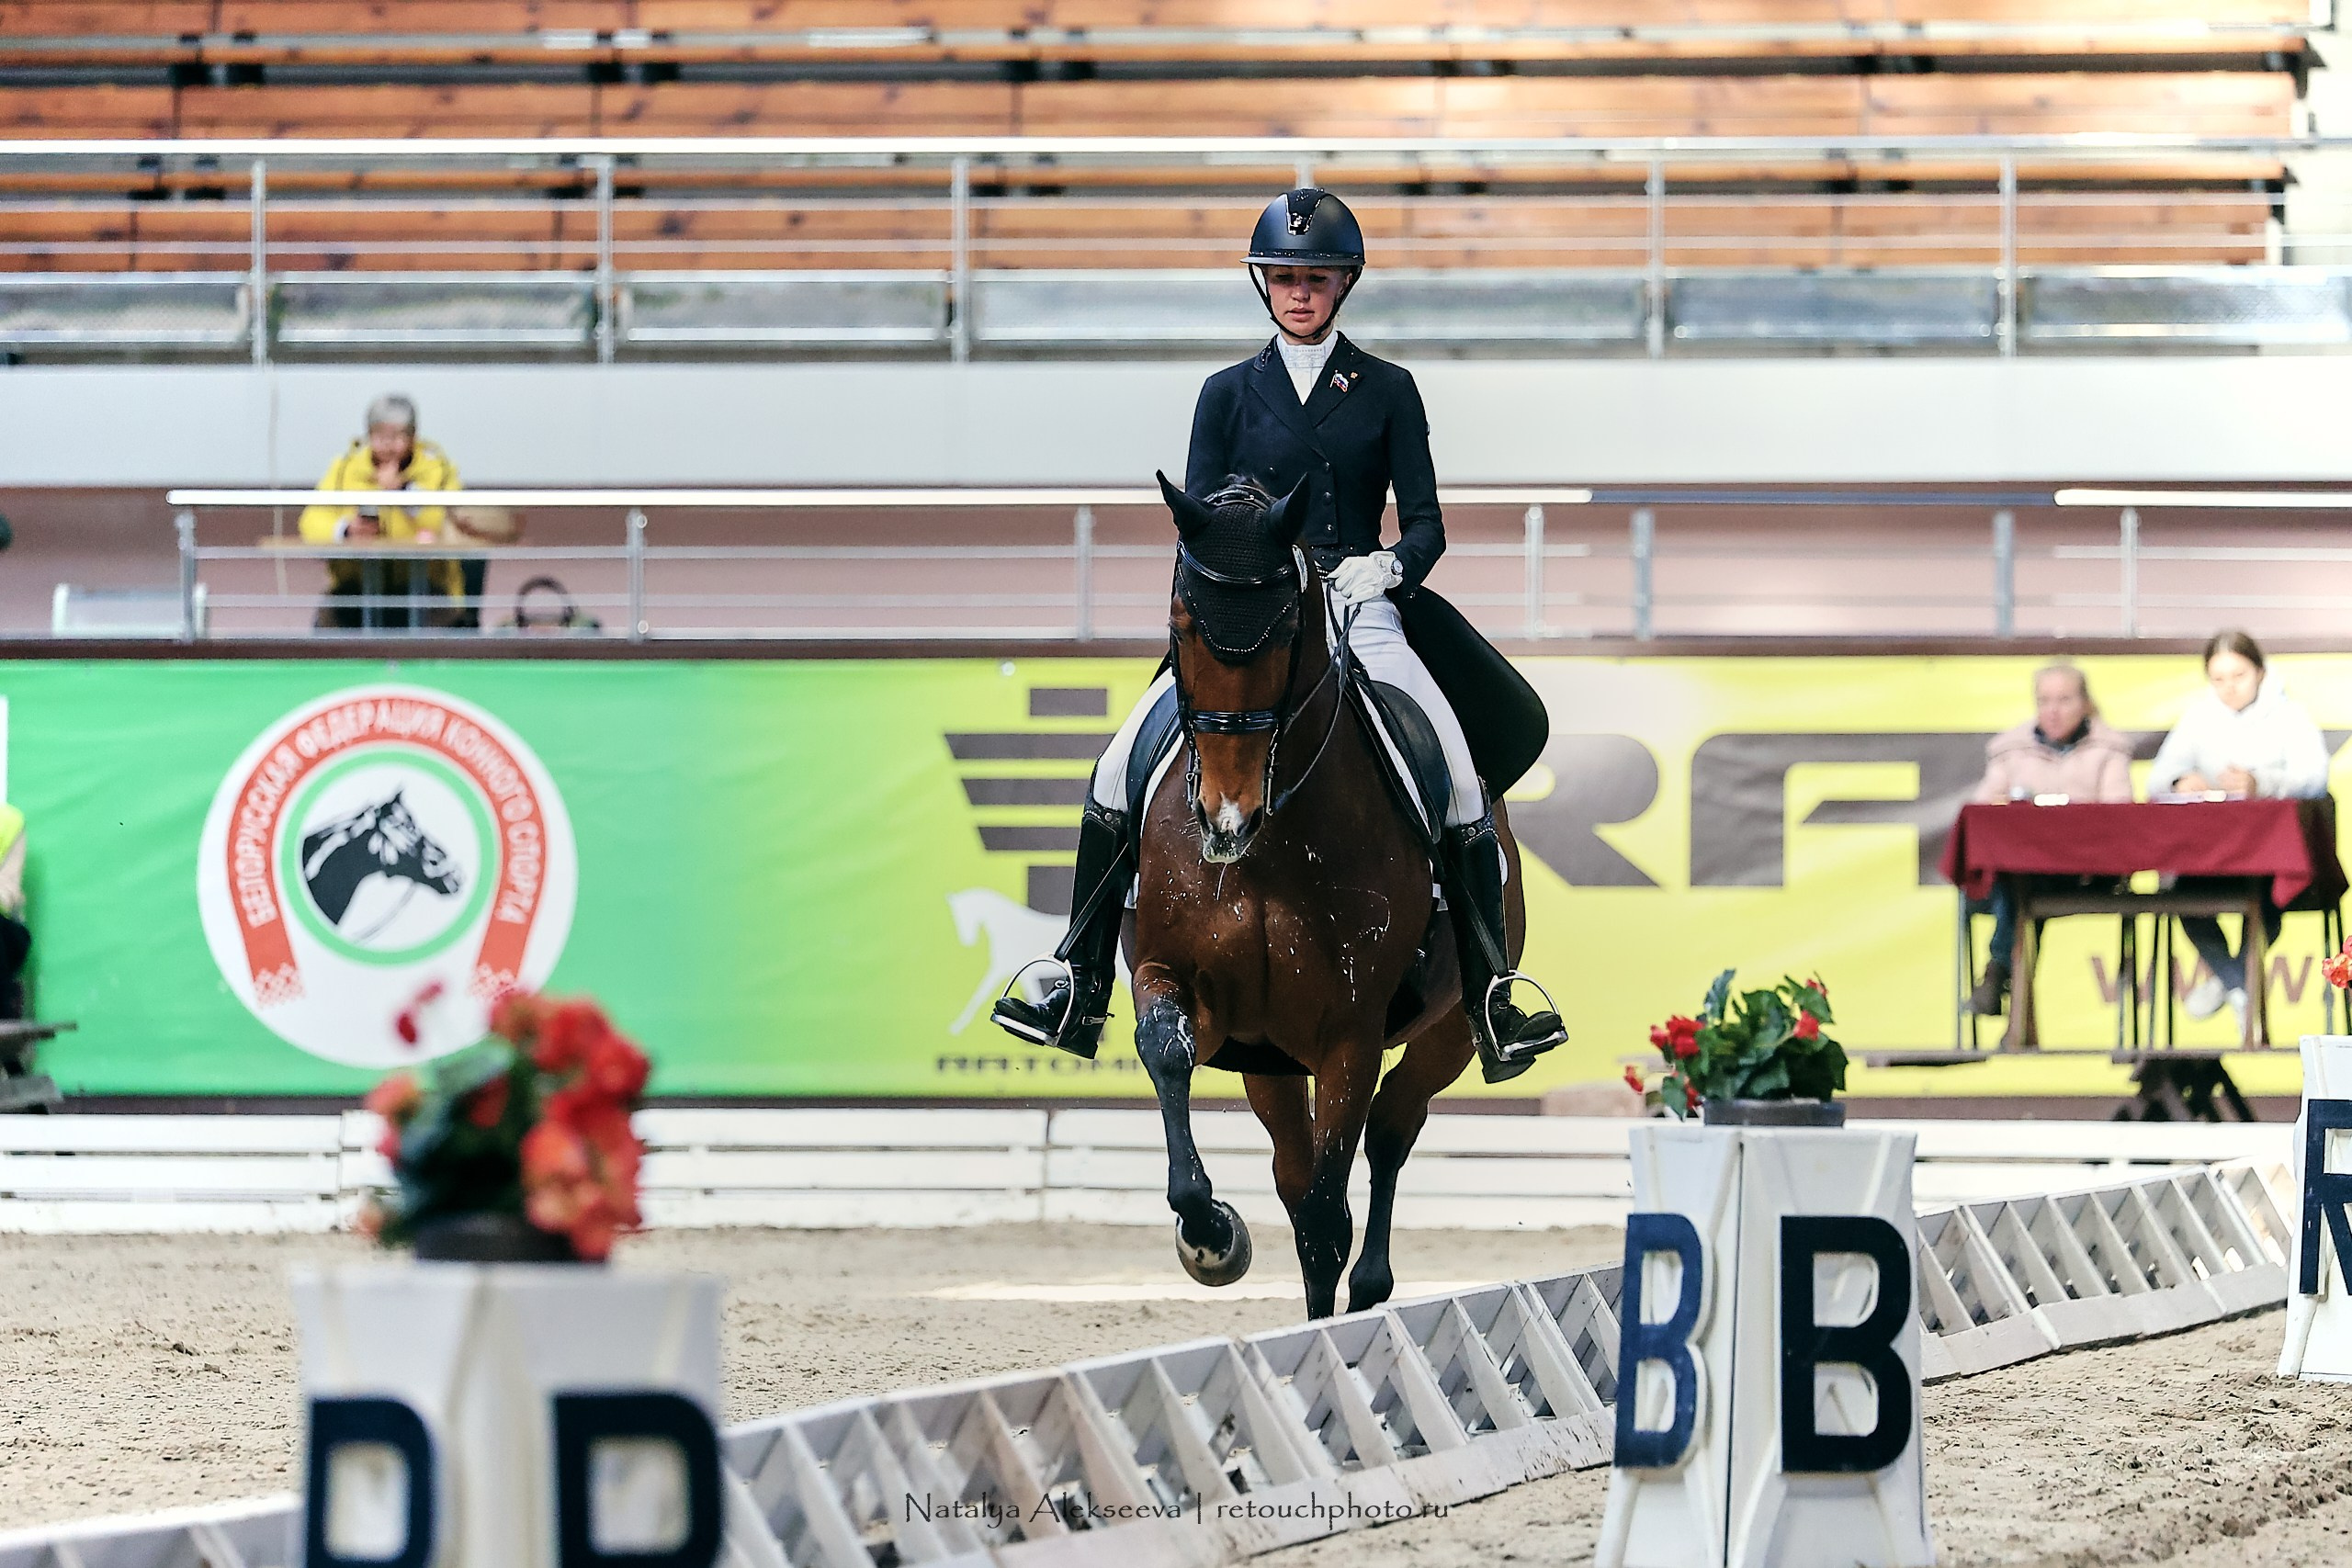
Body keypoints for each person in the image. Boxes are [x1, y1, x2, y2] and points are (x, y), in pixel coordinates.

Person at [989, 187, 1566, 1085]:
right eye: (1287, 278)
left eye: (1318, 278)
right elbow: (1203, 523)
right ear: (1264, 285)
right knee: (1112, 769)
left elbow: (1425, 527)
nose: (1301, 293)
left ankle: (1494, 988)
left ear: (1344, 284)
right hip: (1250, 618)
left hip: (1358, 607)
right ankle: (1076, 974)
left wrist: (1386, 568)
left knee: (1453, 769)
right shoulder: (1225, 394)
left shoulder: (1386, 389)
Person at [2147, 629, 2332, 1028]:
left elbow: (2314, 777)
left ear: (2260, 672)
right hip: (2210, 855)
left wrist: (2260, 783)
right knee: (2180, 897)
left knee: (2269, 896)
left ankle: (2229, 980)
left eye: (2239, 675)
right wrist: (2180, 780)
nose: (2229, 688)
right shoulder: (2199, 717)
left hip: (2268, 857)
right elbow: (2158, 776)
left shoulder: (2290, 716)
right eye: (2219, 679)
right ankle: (2237, 981)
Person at [1965, 663, 2135, 1016]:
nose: (2053, 711)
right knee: (2015, 880)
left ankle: (1998, 974)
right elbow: (1984, 813)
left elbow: (2120, 819)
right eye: (2044, 701)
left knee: (2018, 889)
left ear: (2086, 703)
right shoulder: (2009, 750)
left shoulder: (2110, 749)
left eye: (2064, 699)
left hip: (2087, 873)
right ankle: (2010, 1002)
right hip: (2023, 872)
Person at [297, 394, 464, 630]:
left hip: (426, 587)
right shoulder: (345, 467)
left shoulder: (438, 468)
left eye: (397, 437)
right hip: (356, 586)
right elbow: (312, 521)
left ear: (413, 437)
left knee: (437, 630)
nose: (388, 445)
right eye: (380, 436)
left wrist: (403, 492)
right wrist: (346, 530)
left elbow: (445, 521)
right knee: (330, 624)